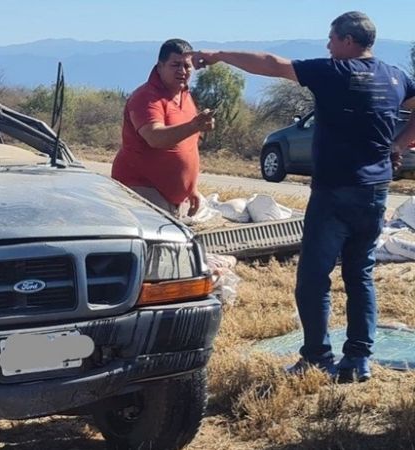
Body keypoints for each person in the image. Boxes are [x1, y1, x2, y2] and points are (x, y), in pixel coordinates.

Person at [191, 11, 415, 382]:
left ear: (347, 40)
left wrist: (219, 54)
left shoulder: (333, 72)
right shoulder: (394, 76)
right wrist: (399, 143)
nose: (328, 46)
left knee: (313, 277)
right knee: (360, 274)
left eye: (331, 39)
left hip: (333, 193)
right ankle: (358, 360)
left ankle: (316, 357)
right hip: (375, 192)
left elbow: (272, 64)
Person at [112, 39, 215, 217]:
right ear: (160, 66)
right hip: (142, 190)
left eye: (187, 66)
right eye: (175, 65)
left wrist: (192, 188)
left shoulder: (185, 96)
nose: (182, 71)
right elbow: (154, 138)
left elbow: (189, 146)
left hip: (174, 199)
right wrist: (193, 126)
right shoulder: (146, 97)